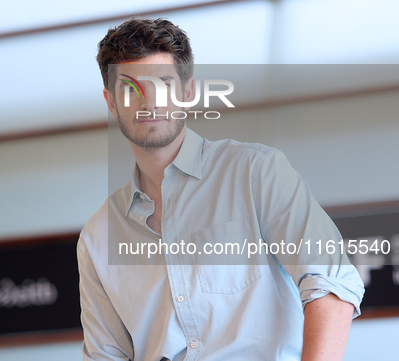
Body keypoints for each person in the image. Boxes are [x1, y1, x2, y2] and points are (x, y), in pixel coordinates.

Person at [77, 18, 364, 361]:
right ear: (111, 102)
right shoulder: (97, 238)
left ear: (187, 92)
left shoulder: (256, 173)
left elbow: (330, 282)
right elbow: (105, 356)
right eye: (130, 89)